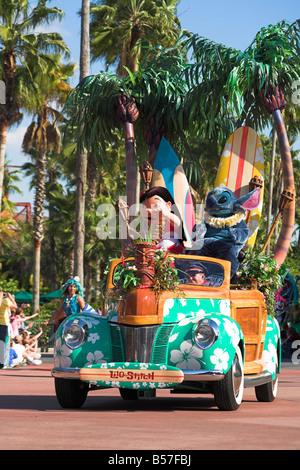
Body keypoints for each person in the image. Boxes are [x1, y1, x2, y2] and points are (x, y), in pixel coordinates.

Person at [140, 186, 186, 254]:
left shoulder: (171, 219)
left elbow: (178, 224)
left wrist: (166, 214)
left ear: (168, 205)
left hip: (173, 252)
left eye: (155, 206)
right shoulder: (150, 223)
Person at [0, 291, 17, 369]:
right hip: (3, 324)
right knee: (2, 343)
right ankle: (2, 364)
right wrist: (10, 298)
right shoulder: (5, 300)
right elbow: (15, 306)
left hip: (4, 324)